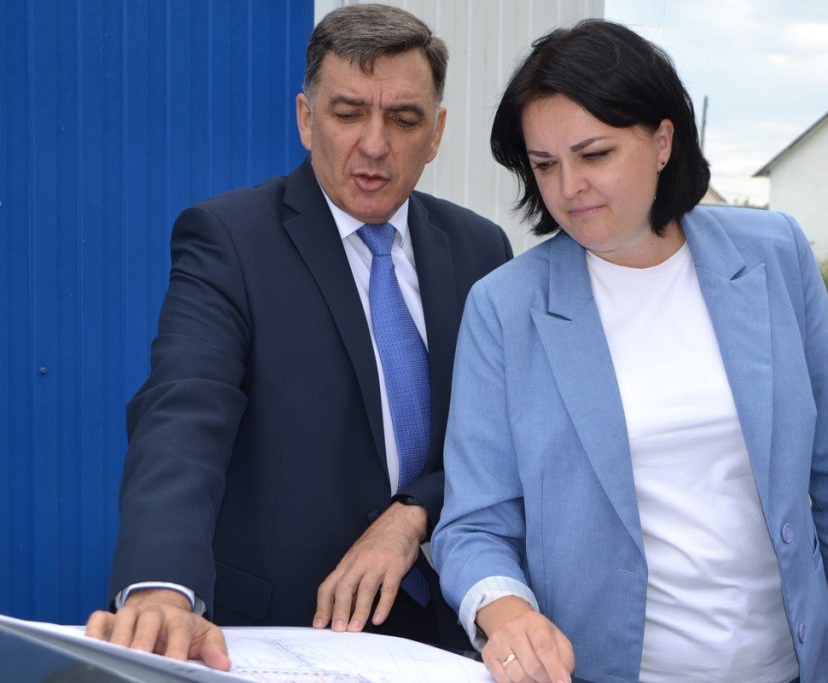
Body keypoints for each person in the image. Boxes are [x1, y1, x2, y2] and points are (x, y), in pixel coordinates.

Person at [432, 19, 828, 683]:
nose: (568, 187)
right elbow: (473, 525)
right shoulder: (505, 307)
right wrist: (508, 614)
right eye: (545, 164)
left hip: (795, 665)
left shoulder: (774, 255)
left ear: (661, 140)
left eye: (594, 154)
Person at [85, 3, 512, 670]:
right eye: (348, 113)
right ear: (306, 119)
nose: (375, 145)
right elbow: (183, 412)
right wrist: (162, 586)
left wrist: (414, 513)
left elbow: (500, 439)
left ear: (436, 134)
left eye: (404, 119)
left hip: (440, 637)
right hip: (275, 634)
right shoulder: (230, 239)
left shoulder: (481, 250)